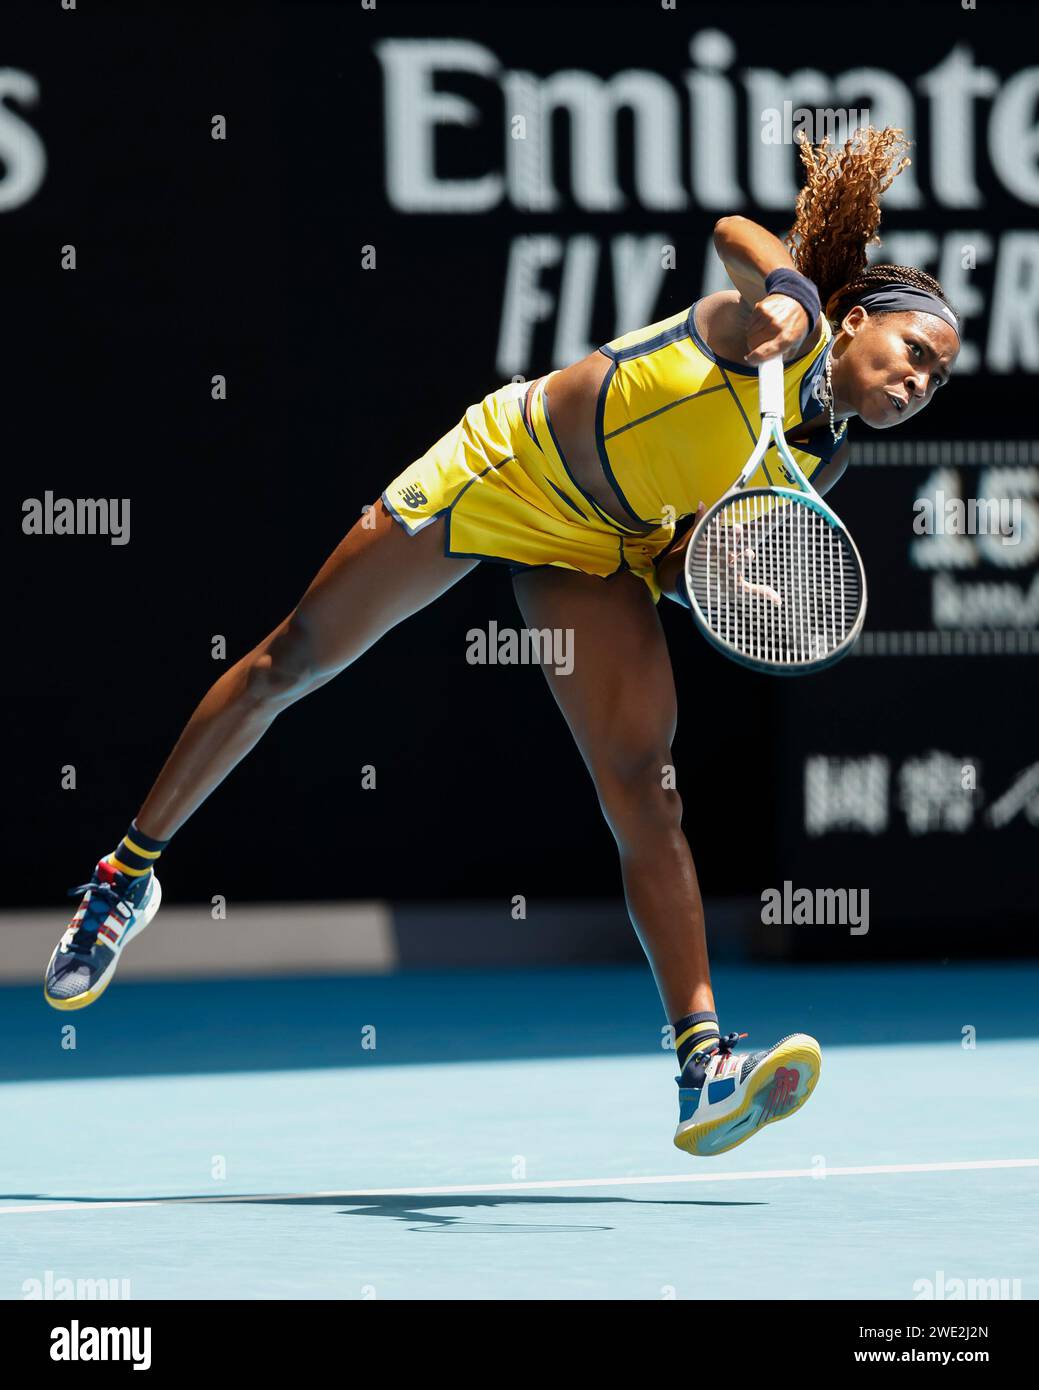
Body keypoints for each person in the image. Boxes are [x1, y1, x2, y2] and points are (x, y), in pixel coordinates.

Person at [45, 127, 960, 1158]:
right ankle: (124, 876)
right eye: (914, 352)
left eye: (936, 378)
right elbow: (731, 230)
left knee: (644, 787)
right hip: (505, 466)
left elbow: (674, 565)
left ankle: (703, 1067)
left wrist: (712, 576)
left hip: (597, 546)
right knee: (292, 658)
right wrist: (788, 288)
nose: (920, 380)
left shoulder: (818, 455)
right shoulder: (768, 332)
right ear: (851, 323)